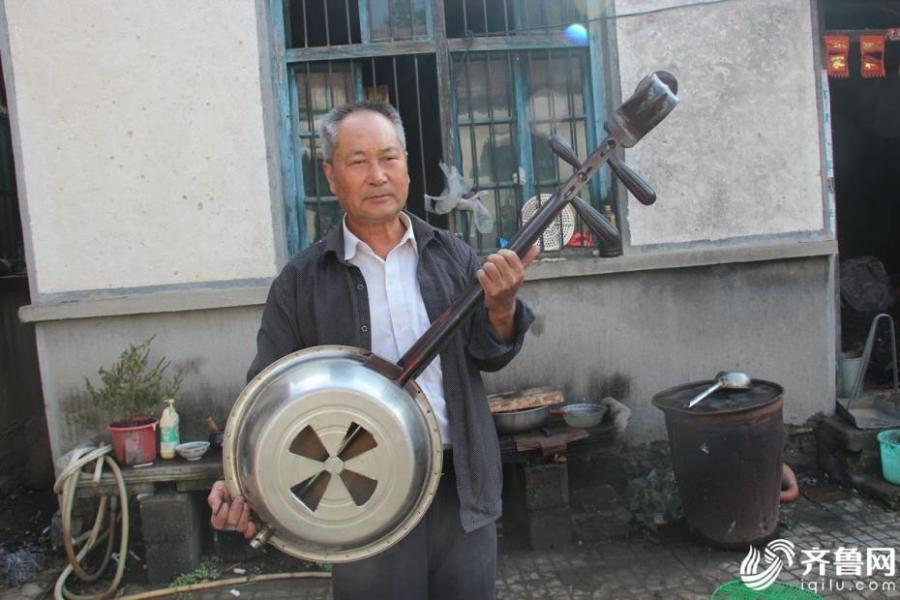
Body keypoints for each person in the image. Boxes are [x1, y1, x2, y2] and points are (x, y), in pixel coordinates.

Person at [207, 99, 538, 600]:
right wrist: (239, 485)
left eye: (390, 158)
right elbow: (264, 399)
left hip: (461, 483)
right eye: (358, 161)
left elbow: (490, 354)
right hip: (362, 490)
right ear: (331, 175)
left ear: (406, 164)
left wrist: (501, 308)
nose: (378, 175)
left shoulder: (453, 256)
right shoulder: (301, 283)